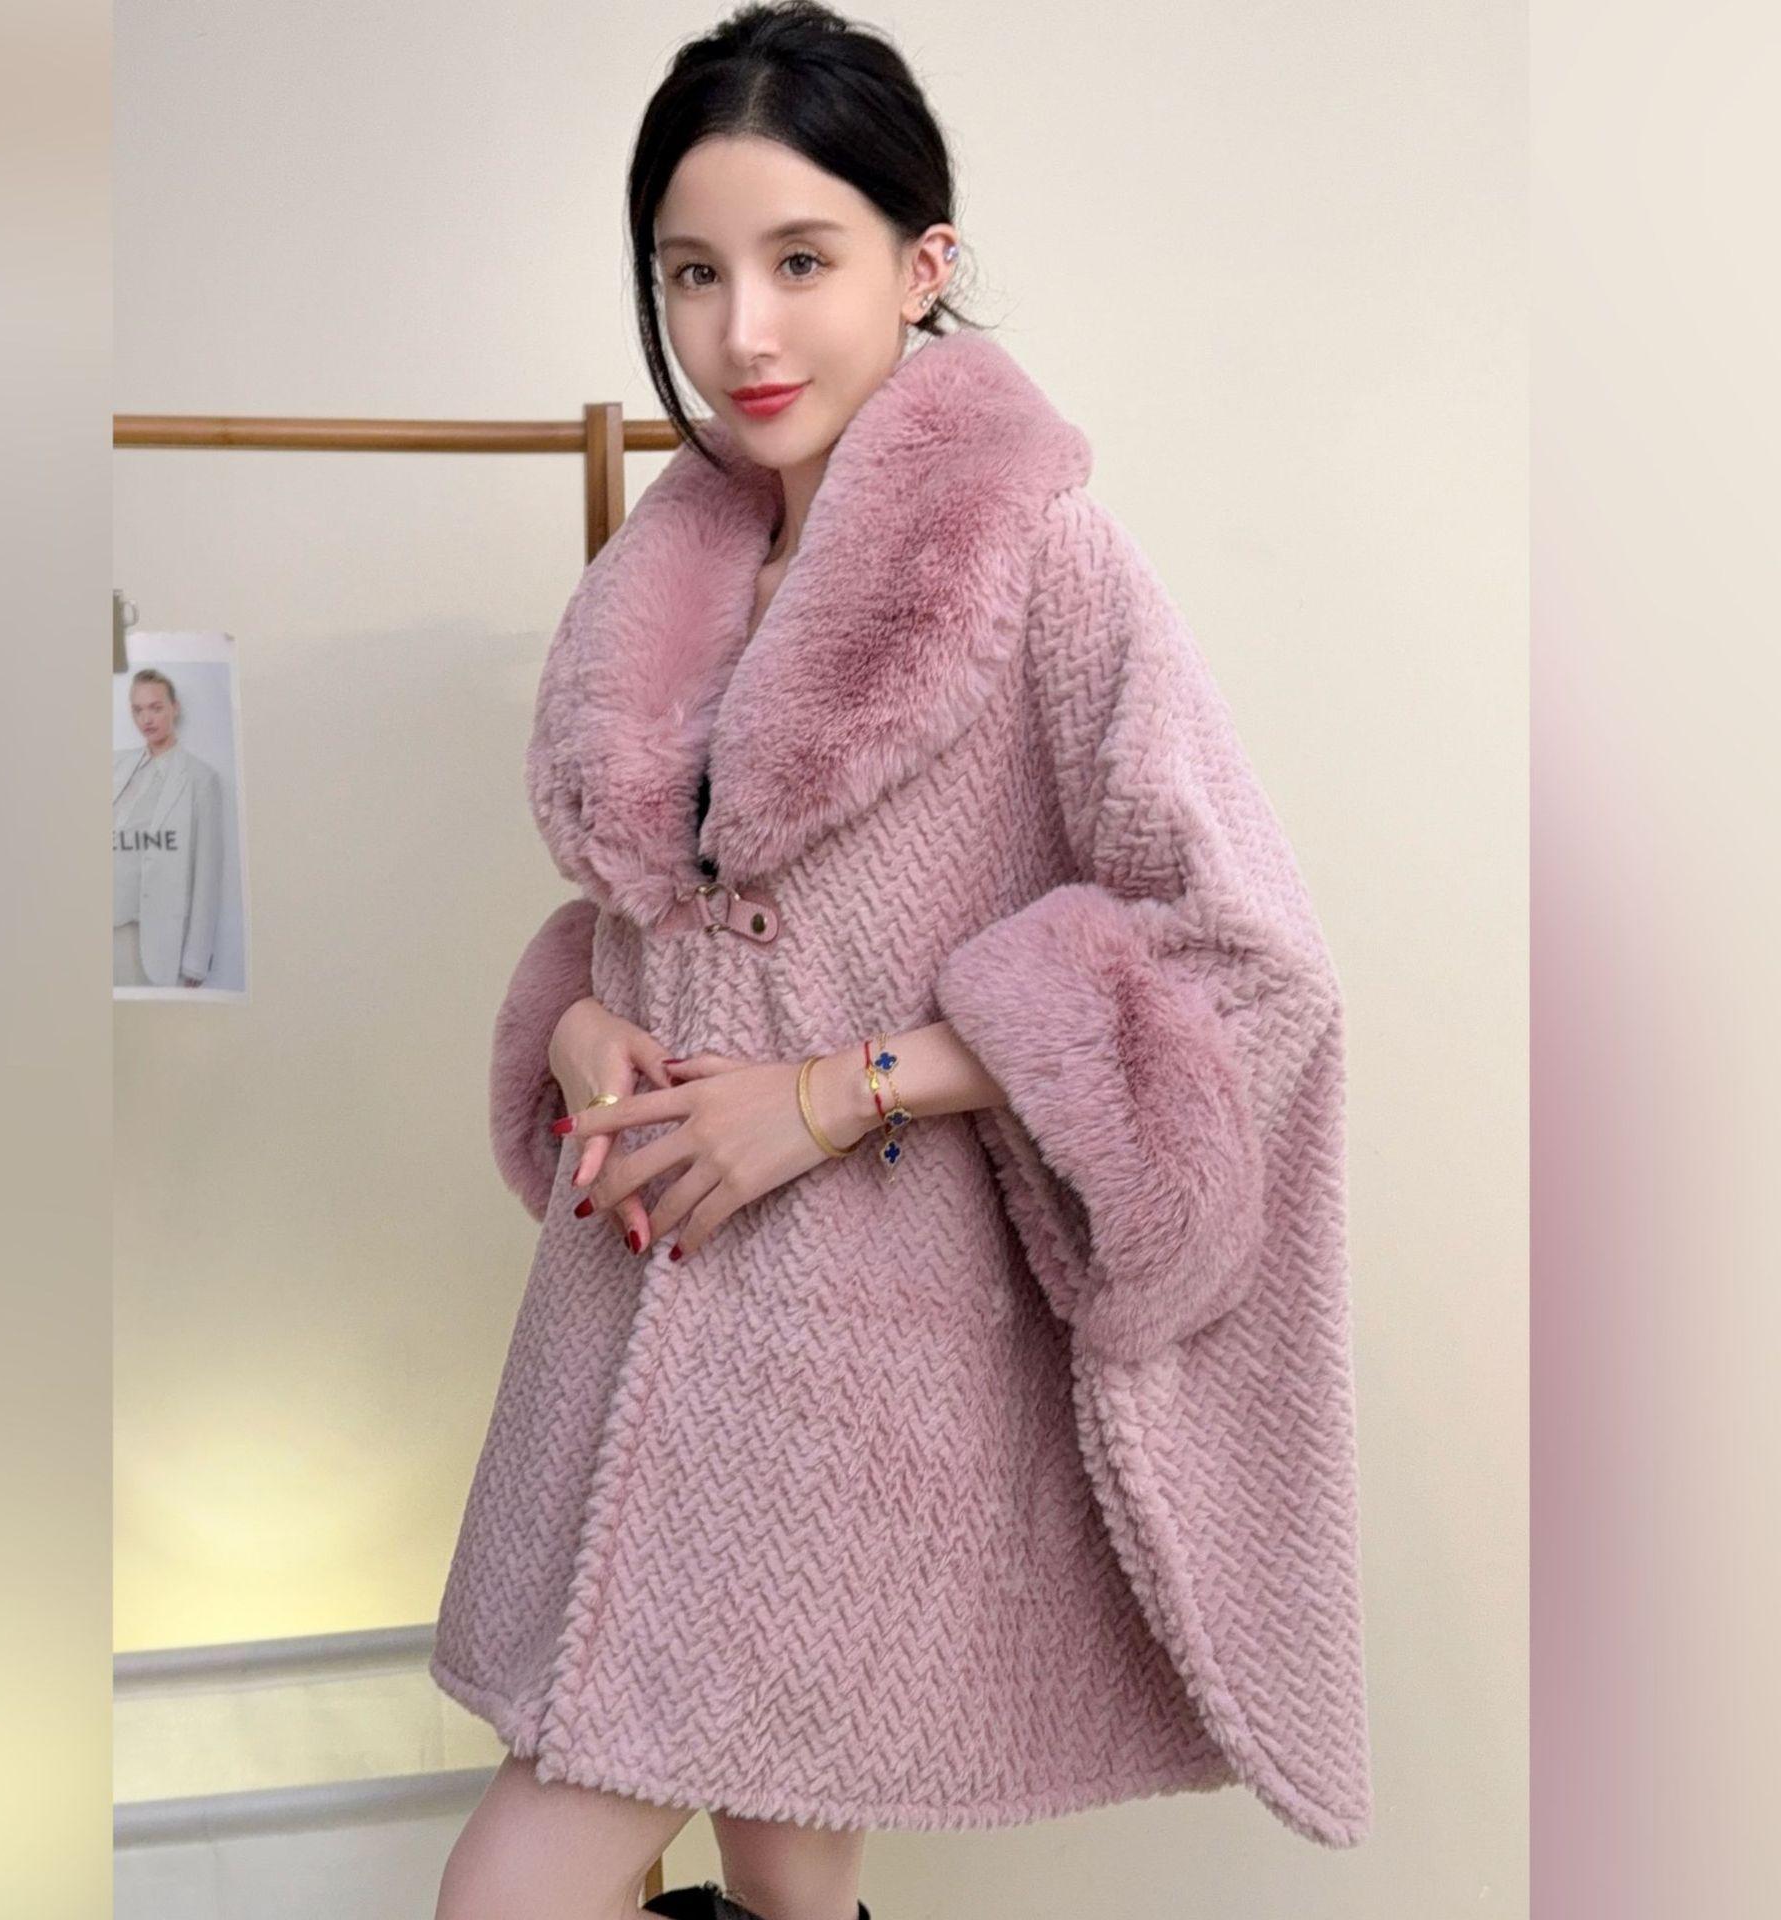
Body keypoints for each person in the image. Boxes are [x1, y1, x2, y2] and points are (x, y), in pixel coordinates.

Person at [433, 7, 1371, 1918]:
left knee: (515, 1887)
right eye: (693, 274)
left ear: (920, 266)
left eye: (802, 261)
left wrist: (834, 1092)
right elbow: (649, 923)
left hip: (850, 1365)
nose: (741, 333)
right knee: (789, 1880)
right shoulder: (664, 575)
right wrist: (585, 1024)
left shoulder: (1043, 562)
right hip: (630, 1321)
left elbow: (1246, 959)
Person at [112, 668, 224, 989]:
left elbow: (207, 874)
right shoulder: (114, 765)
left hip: (148, 940)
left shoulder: (200, 779)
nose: (146, 719)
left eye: (156, 708)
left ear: (175, 708)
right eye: (138, 710)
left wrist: (196, 962)